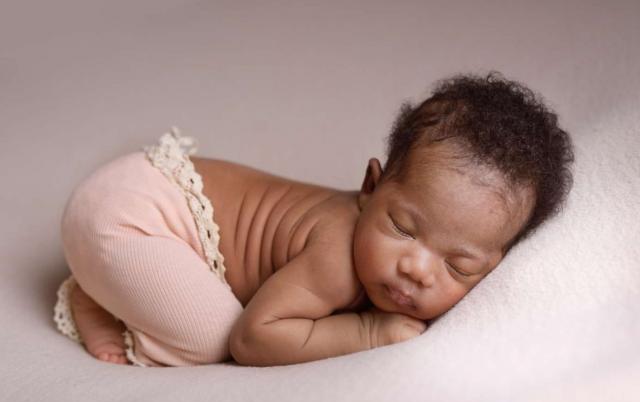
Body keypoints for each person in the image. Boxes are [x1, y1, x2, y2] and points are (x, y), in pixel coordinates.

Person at [53, 71, 574, 367]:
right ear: (371, 187)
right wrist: (371, 332)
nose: (417, 268)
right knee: (214, 339)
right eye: (402, 228)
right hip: (129, 216)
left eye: (459, 266)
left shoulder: (391, 244)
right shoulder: (338, 256)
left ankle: (108, 282)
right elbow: (254, 339)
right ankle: (96, 298)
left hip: (138, 191)